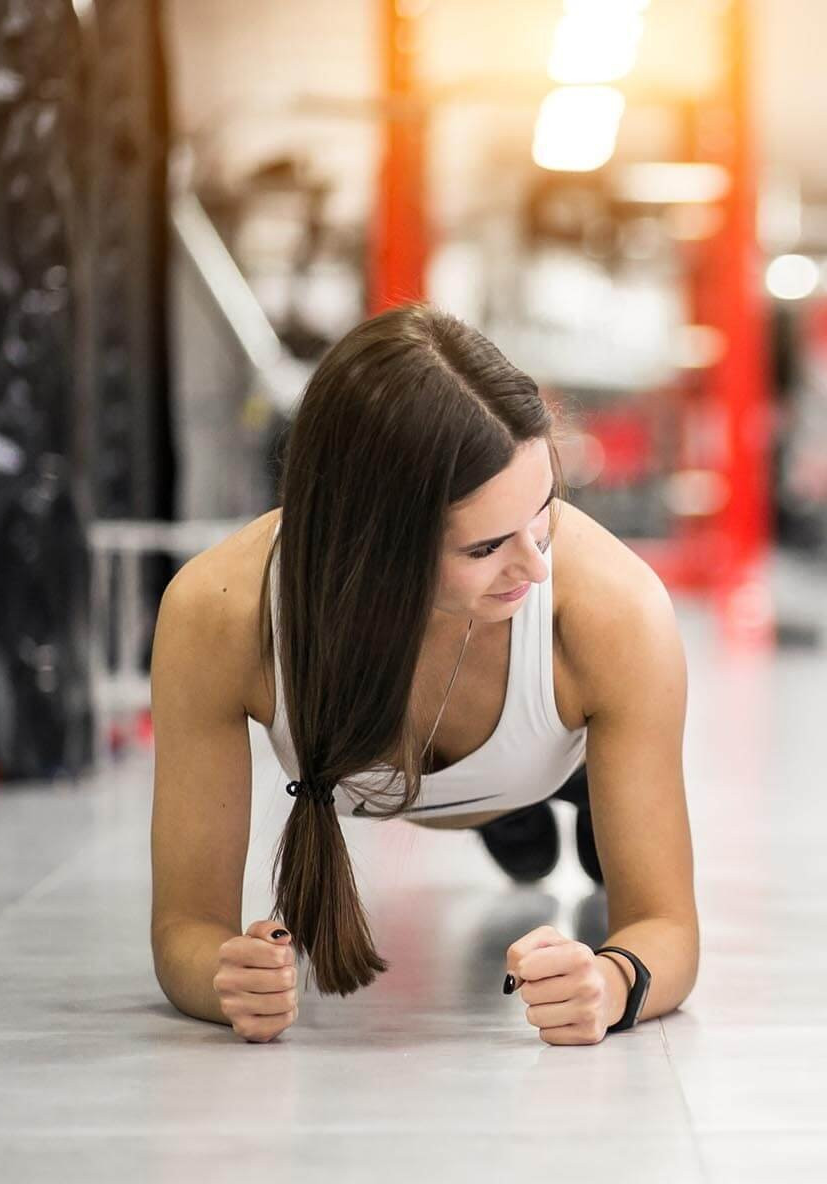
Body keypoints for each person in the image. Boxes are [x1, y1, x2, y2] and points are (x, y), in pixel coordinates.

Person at [148, 304, 697, 1045]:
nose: (537, 567)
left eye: (544, 515)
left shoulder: (611, 609)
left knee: (600, 841)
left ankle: (540, 802)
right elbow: (184, 927)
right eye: (485, 548)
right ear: (374, 549)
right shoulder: (220, 614)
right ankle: (513, 816)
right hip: (413, 763)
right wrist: (228, 977)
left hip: (550, 757)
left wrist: (612, 982)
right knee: (510, 808)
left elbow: (667, 930)